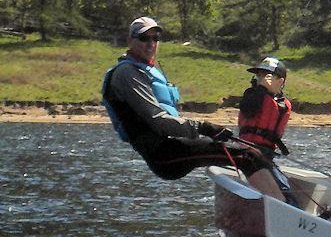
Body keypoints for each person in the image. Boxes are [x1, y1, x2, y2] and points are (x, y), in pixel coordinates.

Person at [101, 16, 273, 185]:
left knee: (255, 154)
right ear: (130, 40)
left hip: (175, 146)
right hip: (164, 154)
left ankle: (275, 201)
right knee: (249, 157)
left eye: (156, 38)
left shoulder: (144, 70)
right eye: (144, 38)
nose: (151, 44)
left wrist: (206, 130)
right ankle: (277, 206)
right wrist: (203, 127)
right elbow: (158, 120)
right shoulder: (127, 74)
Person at [237, 56, 296, 204]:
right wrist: (263, 89)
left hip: (265, 154)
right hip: (246, 153)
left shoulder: (283, 104)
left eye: (267, 75)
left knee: (285, 189)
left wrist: (268, 93)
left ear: (280, 81)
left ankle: (291, 211)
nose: (261, 78)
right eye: (259, 75)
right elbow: (248, 109)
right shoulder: (252, 95)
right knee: (279, 187)